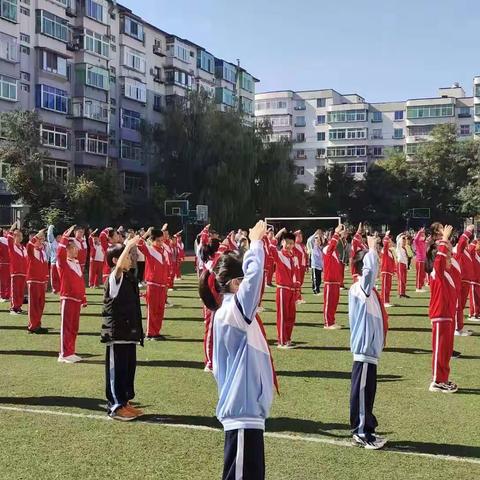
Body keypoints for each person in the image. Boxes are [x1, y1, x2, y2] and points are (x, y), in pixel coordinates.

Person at [199, 220, 277, 480]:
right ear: (235, 284)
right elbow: (255, 282)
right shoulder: (233, 312)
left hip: (248, 413)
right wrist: (255, 244)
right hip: (242, 414)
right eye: (242, 281)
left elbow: (254, 284)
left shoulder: (235, 312)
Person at [349, 234, 388, 449]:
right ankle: (361, 432)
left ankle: (368, 428)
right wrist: (372, 249)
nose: (378, 266)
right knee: (362, 393)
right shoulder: (360, 288)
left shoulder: (369, 291)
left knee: (368, 393)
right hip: (363, 351)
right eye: (375, 261)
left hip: (371, 353)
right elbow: (369, 272)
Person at [101, 236, 144, 421]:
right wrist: (128, 245)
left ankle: (125, 402)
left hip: (129, 334)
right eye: (127, 256)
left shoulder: (128, 277)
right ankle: (116, 406)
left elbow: (138, 260)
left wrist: (134, 245)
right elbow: (119, 266)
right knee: (116, 371)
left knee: (127, 370)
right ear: (115, 260)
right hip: (117, 334)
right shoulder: (114, 277)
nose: (130, 259)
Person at [425, 224, 458, 393]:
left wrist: (447, 244)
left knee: (445, 351)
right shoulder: (437, 271)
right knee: (440, 350)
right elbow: (439, 260)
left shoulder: (447, 272)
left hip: (448, 315)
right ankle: (437, 380)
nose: (450, 257)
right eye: (448, 255)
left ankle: (443, 379)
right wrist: (444, 239)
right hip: (440, 315)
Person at [57, 225, 87, 363]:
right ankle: (64, 354)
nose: (77, 250)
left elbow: (80, 282)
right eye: (74, 248)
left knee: (74, 327)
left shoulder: (76, 263)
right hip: (68, 298)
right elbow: (59, 253)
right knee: (67, 326)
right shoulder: (63, 263)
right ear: (68, 250)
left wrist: (83, 298)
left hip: (76, 299)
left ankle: (71, 351)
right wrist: (64, 238)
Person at [137, 227, 170, 340]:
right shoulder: (150, 249)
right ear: (153, 240)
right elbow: (139, 243)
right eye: (159, 241)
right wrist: (147, 233)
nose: (161, 243)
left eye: (162, 240)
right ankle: (150, 333)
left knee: (160, 309)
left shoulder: (163, 250)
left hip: (162, 285)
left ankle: (156, 332)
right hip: (153, 285)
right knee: (152, 310)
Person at [270, 228, 300, 348]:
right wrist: (277, 235)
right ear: (282, 243)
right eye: (287, 243)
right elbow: (271, 248)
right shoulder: (279, 254)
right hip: (282, 289)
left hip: (292, 290)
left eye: (292, 243)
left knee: (291, 316)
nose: (289, 245)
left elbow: (297, 274)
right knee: (282, 315)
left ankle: (287, 338)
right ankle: (281, 341)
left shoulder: (294, 257)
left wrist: (298, 290)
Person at [323, 224, 345, 330]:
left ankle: (332, 321)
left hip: (336, 282)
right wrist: (336, 233)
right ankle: (328, 323)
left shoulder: (335, 252)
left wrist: (339, 235)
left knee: (334, 303)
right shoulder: (328, 250)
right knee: (329, 303)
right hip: (329, 281)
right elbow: (331, 245)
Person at [26, 228, 49, 334]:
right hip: (33, 281)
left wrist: (46, 281)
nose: (41, 241)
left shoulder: (43, 251)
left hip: (41, 281)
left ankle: (37, 324)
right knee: (34, 304)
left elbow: (45, 267)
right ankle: (32, 326)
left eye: (42, 239)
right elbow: (29, 246)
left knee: (40, 304)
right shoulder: (32, 250)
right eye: (39, 239)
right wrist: (36, 236)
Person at [453, 225, 475, 337]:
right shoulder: (458, 248)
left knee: (461, 306)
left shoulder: (465, 249)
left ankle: (460, 327)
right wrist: (468, 231)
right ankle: (457, 329)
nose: (467, 241)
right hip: (460, 280)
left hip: (466, 280)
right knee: (458, 305)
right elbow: (462, 242)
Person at [7, 221, 27, 315]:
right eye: (17, 235)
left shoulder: (23, 248)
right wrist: (11, 230)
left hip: (23, 273)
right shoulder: (12, 247)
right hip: (15, 272)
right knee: (15, 292)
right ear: (14, 237)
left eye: (21, 235)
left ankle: (18, 307)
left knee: (20, 292)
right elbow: (9, 239)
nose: (20, 237)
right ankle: (13, 309)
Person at [380, 231, 396, 308]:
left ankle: (387, 301)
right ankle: (384, 301)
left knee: (388, 287)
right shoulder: (384, 250)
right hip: (385, 271)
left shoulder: (390, 251)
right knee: (385, 287)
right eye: (390, 242)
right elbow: (385, 243)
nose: (391, 243)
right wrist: (386, 236)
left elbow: (392, 262)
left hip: (389, 271)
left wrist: (394, 271)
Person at [293, 230, 308, 304]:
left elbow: (305, 255)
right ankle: (296, 298)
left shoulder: (302, 245)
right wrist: (296, 233)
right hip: (297, 266)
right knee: (297, 282)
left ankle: (298, 297)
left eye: (301, 236)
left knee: (300, 282)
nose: (301, 238)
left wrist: (306, 265)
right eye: (299, 236)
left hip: (302, 266)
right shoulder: (293, 244)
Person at [47, 225, 61, 294]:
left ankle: (60, 288)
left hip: (61, 263)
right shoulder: (53, 242)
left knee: (60, 276)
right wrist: (50, 228)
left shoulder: (62, 244)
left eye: (61, 237)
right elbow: (49, 235)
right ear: (55, 238)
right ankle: (55, 289)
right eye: (58, 237)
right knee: (54, 276)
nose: (60, 238)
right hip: (54, 262)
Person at [468, 240, 480, 321]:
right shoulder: (473, 254)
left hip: (478, 280)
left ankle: (477, 313)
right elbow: (471, 249)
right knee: (474, 299)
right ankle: (473, 314)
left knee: (478, 298)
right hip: (473, 280)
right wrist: (475, 241)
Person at [413, 228, 427, 292]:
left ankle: (420, 286)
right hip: (419, 260)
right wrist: (419, 232)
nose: (424, 235)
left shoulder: (424, 242)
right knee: (419, 274)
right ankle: (418, 288)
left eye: (424, 234)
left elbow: (429, 239)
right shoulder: (417, 241)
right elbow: (415, 239)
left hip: (423, 260)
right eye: (422, 234)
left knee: (422, 275)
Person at [396, 233, 409, 298]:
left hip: (404, 265)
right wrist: (403, 235)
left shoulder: (404, 248)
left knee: (404, 279)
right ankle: (400, 293)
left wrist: (407, 266)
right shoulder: (399, 247)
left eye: (405, 241)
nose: (404, 242)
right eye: (403, 240)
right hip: (400, 264)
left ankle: (403, 292)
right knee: (401, 279)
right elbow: (398, 239)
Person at [0, 229, 10, 302]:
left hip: (3, 263)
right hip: (7, 263)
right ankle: (5, 296)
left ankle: (3, 296)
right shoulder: (9, 240)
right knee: (6, 281)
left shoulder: (6, 240)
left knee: (4, 281)